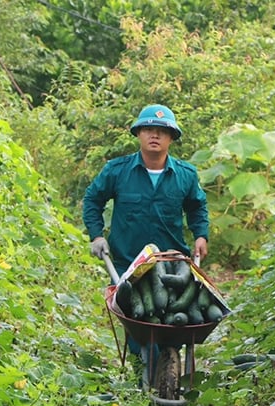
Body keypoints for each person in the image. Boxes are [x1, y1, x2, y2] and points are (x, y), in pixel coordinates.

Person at [82, 104, 209, 378]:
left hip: (172, 262)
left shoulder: (185, 175)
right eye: (149, 129)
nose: (155, 135)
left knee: (173, 317)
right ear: (138, 133)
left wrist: (201, 235)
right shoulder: (117, 171)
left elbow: (197, 207)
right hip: (130, 261)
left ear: (171, 138)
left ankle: (167, 367)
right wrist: (96, 234)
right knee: (138, 318)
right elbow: (93, 199)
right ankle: (144, 368)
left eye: (162, 131)